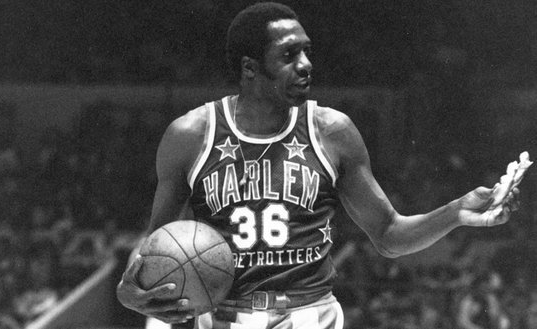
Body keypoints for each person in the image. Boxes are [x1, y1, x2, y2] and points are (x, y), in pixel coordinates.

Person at [117, 2, 523, 329]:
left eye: (307, 51)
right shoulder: (190, 135)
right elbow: (156, 240)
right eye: (289, 55)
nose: (306, 64)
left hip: (311, 315)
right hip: (224, 316)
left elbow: (388, 234)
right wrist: (128, 287)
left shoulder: (332, 131)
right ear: (249, 68)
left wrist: (456, 211)